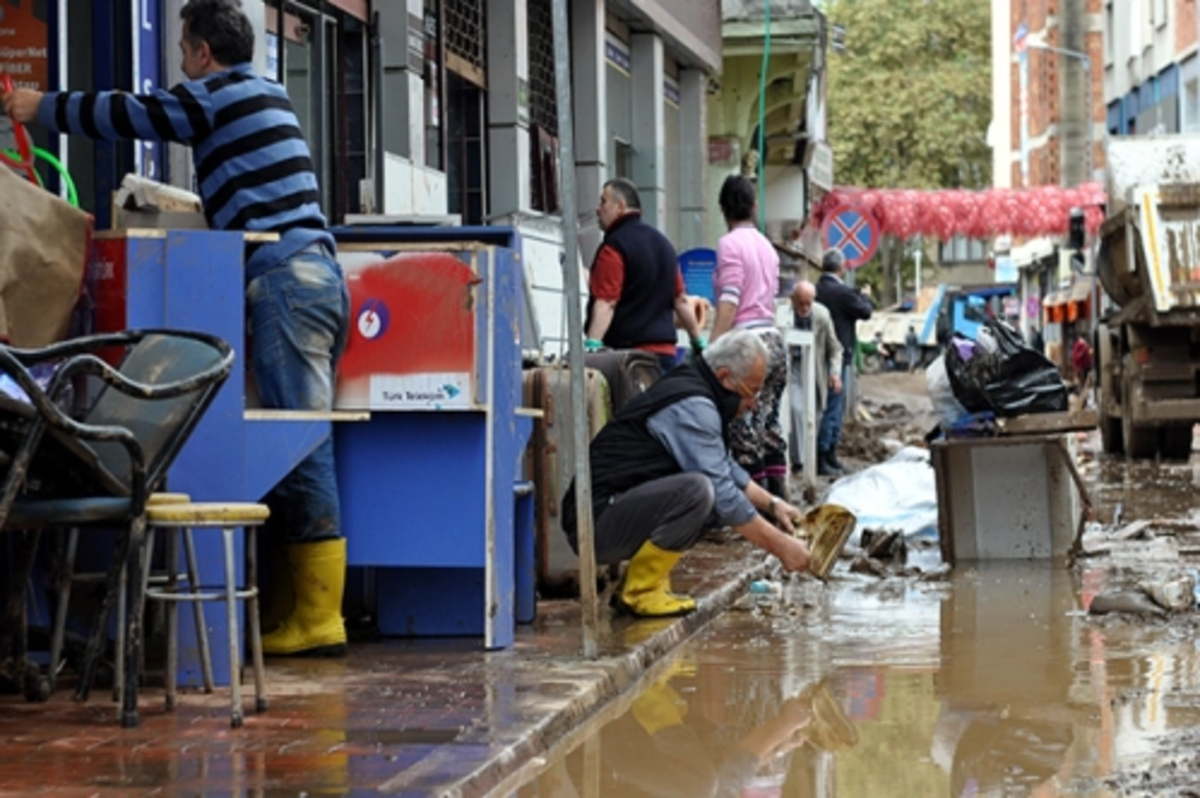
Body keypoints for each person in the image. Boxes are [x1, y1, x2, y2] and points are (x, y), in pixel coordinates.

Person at [3, 0, 350, 657]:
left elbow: (134, 113)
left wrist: (37, 108)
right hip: (314, 277)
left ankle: (319, 617)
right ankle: (301, 607)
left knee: (302, 439)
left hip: (284, 281)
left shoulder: (216, 96)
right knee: (299, 433)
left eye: (184, 51)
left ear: (199, 52)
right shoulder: (267, 94)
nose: (182, 68)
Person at [561, 329, 812, 618]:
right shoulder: (695, 405)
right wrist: (782, 547)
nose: (753, 404)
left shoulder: (696, 388)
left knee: (708, 496)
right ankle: (640, 592)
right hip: (594, 523)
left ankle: (643, 584)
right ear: (724, 377)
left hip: (613, 510)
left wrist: (773, 504)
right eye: (751, 392)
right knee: (699, 492)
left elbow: (724, 466)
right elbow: (724, 495)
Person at [710, 174, 788, 498]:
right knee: (768, 424)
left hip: (747, 346)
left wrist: (710, 351)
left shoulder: (729, 245)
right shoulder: (768, 247)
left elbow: (729, 301)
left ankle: (755, 513)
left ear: (722, 208)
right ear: (754, 207)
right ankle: (781, 503)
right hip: (774, 340)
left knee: (743, 429)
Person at [585, 177, 704, 373]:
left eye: (603, 201)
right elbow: (681, 301)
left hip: (628, 359)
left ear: (620, 206)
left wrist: (592, 344)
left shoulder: (614, 247)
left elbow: (607, 302)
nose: (598, 209)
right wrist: (697, 340)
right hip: (665, 356)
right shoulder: (665, 245)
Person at [814, 249, 873, 476]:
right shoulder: (842, 292)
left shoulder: (816, 290)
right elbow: (865, 312)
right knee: (833, 408)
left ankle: (826, 456)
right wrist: (865, 295)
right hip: (837, 356)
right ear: (841, 267)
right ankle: (825, 456)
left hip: (815, 355)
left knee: (823, 407)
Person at [788, 281, 843, 474]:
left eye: (808, 304)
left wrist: (834, 373)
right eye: (800, 303)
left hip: (814, 369)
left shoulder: (822, 315)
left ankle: (810, 458)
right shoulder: (783, 314)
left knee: (815, 413)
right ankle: (799, 461)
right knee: (796, 409)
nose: (804, 308)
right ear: (793, 300)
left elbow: (835, 348)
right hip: (792, 368)